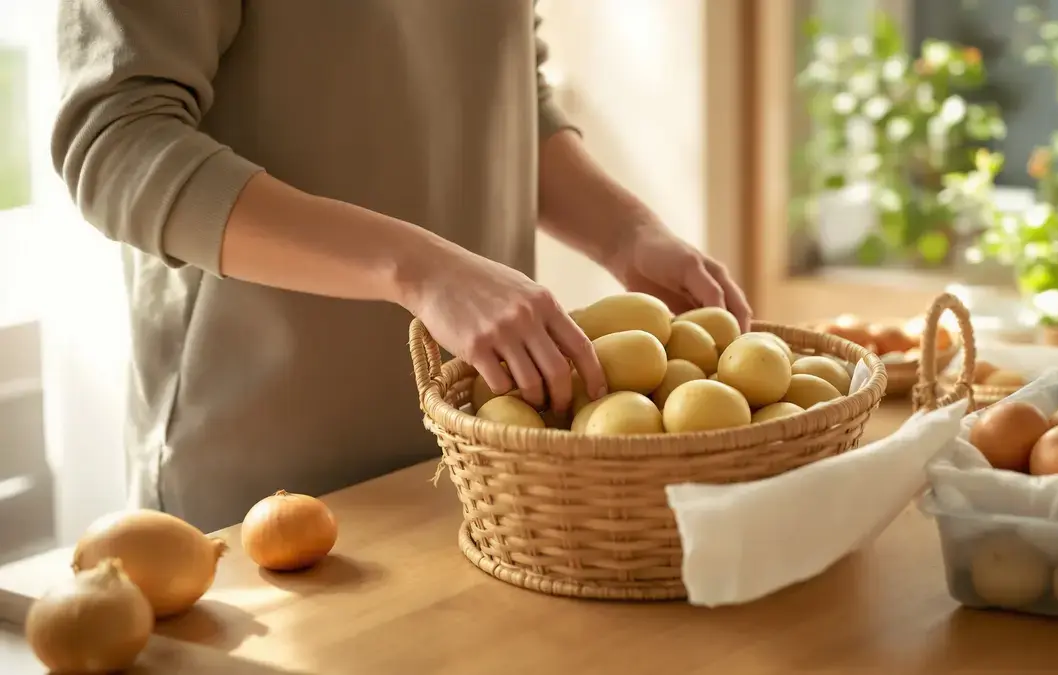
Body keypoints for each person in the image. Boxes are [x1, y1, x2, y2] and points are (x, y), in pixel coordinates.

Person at [52, 0, 752, 533]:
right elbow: (117, 142)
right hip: (267, 482)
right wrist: (418, 267)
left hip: (483, 461)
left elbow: (504, 80)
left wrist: (624, 232)